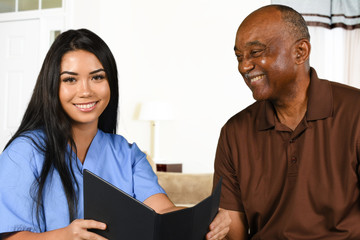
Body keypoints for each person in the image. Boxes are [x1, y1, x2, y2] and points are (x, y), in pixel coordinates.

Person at [0, 28, 230, 240]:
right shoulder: (23, 153)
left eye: (97, 77)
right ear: (52, 87)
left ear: (111, 83)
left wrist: (207, 220)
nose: (86, 91)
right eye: (70, 79)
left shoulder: (128, 155)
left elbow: (164, 213)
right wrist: (64, 235)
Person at [213, 4, 360, 240]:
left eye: (256, 52)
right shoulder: (234, 132)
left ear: (300, 51)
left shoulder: (356, 112)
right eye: (239, 57)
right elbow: (232, 226)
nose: (244, 66)